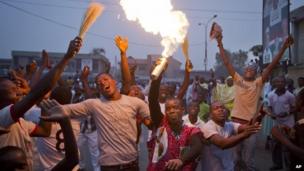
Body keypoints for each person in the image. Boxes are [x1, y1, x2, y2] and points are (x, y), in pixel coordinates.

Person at [216, 30, 294, 170]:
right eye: (247, 68)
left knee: (248, 161)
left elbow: (271, 66)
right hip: (234, 124)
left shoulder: (258, 83)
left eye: (252, 69)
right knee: (235, 159)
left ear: (256, 72)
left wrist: (283, 47)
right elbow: (226, 62)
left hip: (250, 126)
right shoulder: (238, 80)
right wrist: (220, 43)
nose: (249, 70)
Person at [43, 72, 152, 171]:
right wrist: (57, 110)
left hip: (132, 164)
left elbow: (153, 122)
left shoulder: (135, 102)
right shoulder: (94, 104)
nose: (102, 82)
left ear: (114, 81)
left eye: (105, 79)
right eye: (98, 83)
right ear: (99, 90)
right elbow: (69, 109)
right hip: (109, 166)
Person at [147, 68, 203, 171]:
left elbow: (197, 146)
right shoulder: (161, 123)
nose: (172, 111)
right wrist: (157, 77)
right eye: (168, 109)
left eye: (175, 108)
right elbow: (152, 101)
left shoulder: (190, 130)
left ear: (182, 110)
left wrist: (181, 160)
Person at [201, 101, 261, 171]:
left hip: (228, 168)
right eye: (216, 108)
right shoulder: (208, 127)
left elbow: (248, 127)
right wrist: (244, 134)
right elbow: (223, 144)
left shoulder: (229, 125)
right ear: (211, 115)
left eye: (222, 108)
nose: (220, 109)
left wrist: (260, 115)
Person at [271, 89, 304, 170]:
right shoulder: (300, 119)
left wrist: (283, 139)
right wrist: (289, 130)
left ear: (301, 101)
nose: (295, 101)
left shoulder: (301, 122)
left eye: (297, 98)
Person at [268, 76, 296, 170]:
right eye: (277, 82)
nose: (279, 83)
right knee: (275, 145)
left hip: (289, 123)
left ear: (285, 83)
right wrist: (271, 114)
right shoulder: (271, 95)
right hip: (277, 123)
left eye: (282, 82)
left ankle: (289, 165)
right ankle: (277, 164)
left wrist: (287, 113)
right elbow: (270, 107)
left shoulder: (290, 95)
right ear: (274, 84)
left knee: (288, 145)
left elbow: (295, 108)